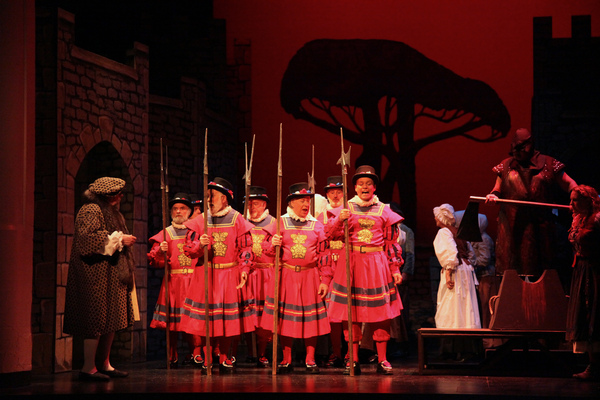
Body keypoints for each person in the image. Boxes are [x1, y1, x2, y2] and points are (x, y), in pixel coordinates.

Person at [327, 165, 404, 375]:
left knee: (380, 312)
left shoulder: (384, 210)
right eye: (361, 183)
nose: (365, 187)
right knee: (350, 312)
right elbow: (330, 234)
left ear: (374, 187)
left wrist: (395, 269)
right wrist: (339, 219)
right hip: (351, 263)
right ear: (354, 187)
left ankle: (383, 359)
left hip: (377, 264)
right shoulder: (345, 209)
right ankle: (352, 359)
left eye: (369, 183)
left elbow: (391, 243)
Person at [179, 178, 255, 373]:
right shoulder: (200, 221)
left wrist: (244, 270)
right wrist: (200, 245)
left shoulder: (237, 219)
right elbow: (188, 250)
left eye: (212, 196)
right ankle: (207, 357)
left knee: (226, 320)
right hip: (205, 274)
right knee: (206, 319)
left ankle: (223, 356)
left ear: (224, 198)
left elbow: (246, 248)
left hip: (229, 275)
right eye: (207, 196)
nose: (208, 200)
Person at [64, 177, 136, 381]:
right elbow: (88, 240)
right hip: (94, 273)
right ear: (107, 195)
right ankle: (88, 367)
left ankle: (105, 363)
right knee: (95, 320)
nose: (120, 196)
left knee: (111, 319)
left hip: (111, 273)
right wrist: (120, 239)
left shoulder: (113, 211)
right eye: (117, 193)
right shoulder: (91, 210)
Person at [485, 128, 577, 278]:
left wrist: (577, 198)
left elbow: (570, 184)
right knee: (511, 271)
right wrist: (493, 195)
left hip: (540, 228)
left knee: (542, 269)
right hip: (512, 228)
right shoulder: (506, 165)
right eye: (514, 149)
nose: (516, 153)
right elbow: (497, 189)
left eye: (520, 149)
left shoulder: (549, 163)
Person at [261, 182, 333, 374]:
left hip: (310, 276)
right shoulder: (279, 223)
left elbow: (324, 255)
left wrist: (325, 280)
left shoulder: (316, 226)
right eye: (302, 200)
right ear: (291, 202)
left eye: (308, 200)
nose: (306, 204)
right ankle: (286, 359)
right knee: (286, 319)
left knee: (311, 320)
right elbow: (266, 250)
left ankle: (310, 359)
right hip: (287, 276)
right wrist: (273, 244)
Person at [147, 192, 202, 368]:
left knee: (194, 318)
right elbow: (154, 262)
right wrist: (160, 252)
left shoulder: (195, 233)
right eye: (175, 208)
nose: (178, 211)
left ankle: (196, 352)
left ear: (189, 211)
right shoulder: (166, 233)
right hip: (174, 281)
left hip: (193, 281)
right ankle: (172, 353)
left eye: (182, 208)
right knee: (171, 320)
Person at [566, 185, 600, 381]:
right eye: (571, 200)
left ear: (588, 200)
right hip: (581, 269)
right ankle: (592, 365)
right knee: (585, 315)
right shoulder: (578, 219)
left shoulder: (597, 218)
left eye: (575, 200)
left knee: (595, 313)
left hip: (596, 270)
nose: (571, 204)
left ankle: (595, 366)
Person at [243, 186, 276, 367]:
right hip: (248, 273)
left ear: (264, 204)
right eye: (249, 204)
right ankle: (250, 351)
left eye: (255, 204)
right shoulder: (242, 222)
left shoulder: (274, 223)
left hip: (266, 274)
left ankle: (262, 352)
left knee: (265, 314)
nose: (251, 207)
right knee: (248, 313)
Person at [433, 204, 481, 329]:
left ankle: (453, 328)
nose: (435, 219)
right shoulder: (459, 232)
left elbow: (450, 252)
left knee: (453, 298)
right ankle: (466, 326)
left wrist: (448, 272)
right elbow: (471, 254)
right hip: (465, 268)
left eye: (436, 217)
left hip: (456, 269)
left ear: (441, 218)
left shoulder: (444, 232)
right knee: (465, 300)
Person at [316, 176, 346, 368]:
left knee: (350, 314)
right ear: (326, 194)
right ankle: (336, 352)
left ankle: (351, 352)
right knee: (333, 315)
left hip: (348, 267)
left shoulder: (351, 213)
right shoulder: (321, 217)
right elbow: (322, 239)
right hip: (329, 268)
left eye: (339, 192)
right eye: (332, 192)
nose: (335, 196)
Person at [454, 210, 498, 337]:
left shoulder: (483, 238)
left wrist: (470, 262)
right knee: (481, 307)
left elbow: (485, 259)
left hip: (487, 277)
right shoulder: (475, 238)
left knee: (486, 307)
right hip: (480, 276)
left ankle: (490, 339)